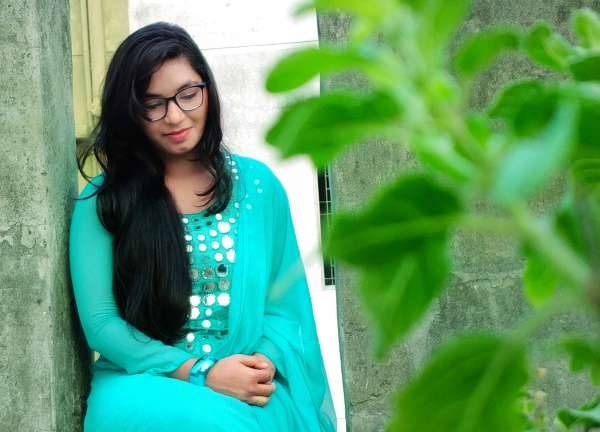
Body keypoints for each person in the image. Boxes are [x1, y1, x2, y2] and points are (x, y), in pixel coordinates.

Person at [69, 21, 336, 431]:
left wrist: (260, 364)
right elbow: (103, 325)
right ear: (130, 112)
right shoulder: (104, 200)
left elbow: (284, 308)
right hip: (141, 381)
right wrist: (201, 372)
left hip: (244, 378)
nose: (175, 115)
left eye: (188, 94)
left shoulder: (258, 187)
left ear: (207, 89)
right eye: (153, 104)